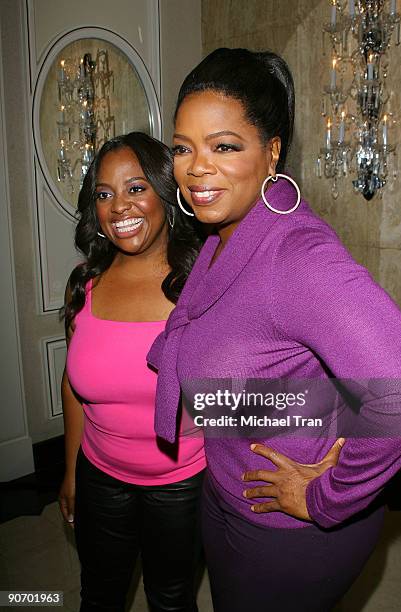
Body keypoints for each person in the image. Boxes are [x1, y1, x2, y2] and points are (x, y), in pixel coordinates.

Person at [147, 48, 401, 612]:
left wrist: (329, 493)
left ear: (272, 151)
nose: (195, 167)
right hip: (228, 485)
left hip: (292, 528)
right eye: (183, 148)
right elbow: (269, 364)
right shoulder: (222, 236)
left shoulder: (297, 257)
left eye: (224, 146)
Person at [58, 132, 206, 612]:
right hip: (99, 475)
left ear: (167, 193)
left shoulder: (201, 286)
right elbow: (74, 388)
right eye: (104, 194)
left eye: (136, 188)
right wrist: (71, 472)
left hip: (182, 486)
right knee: (98, 595)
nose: (119, 206)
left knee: (170, 599)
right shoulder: (86, 284)